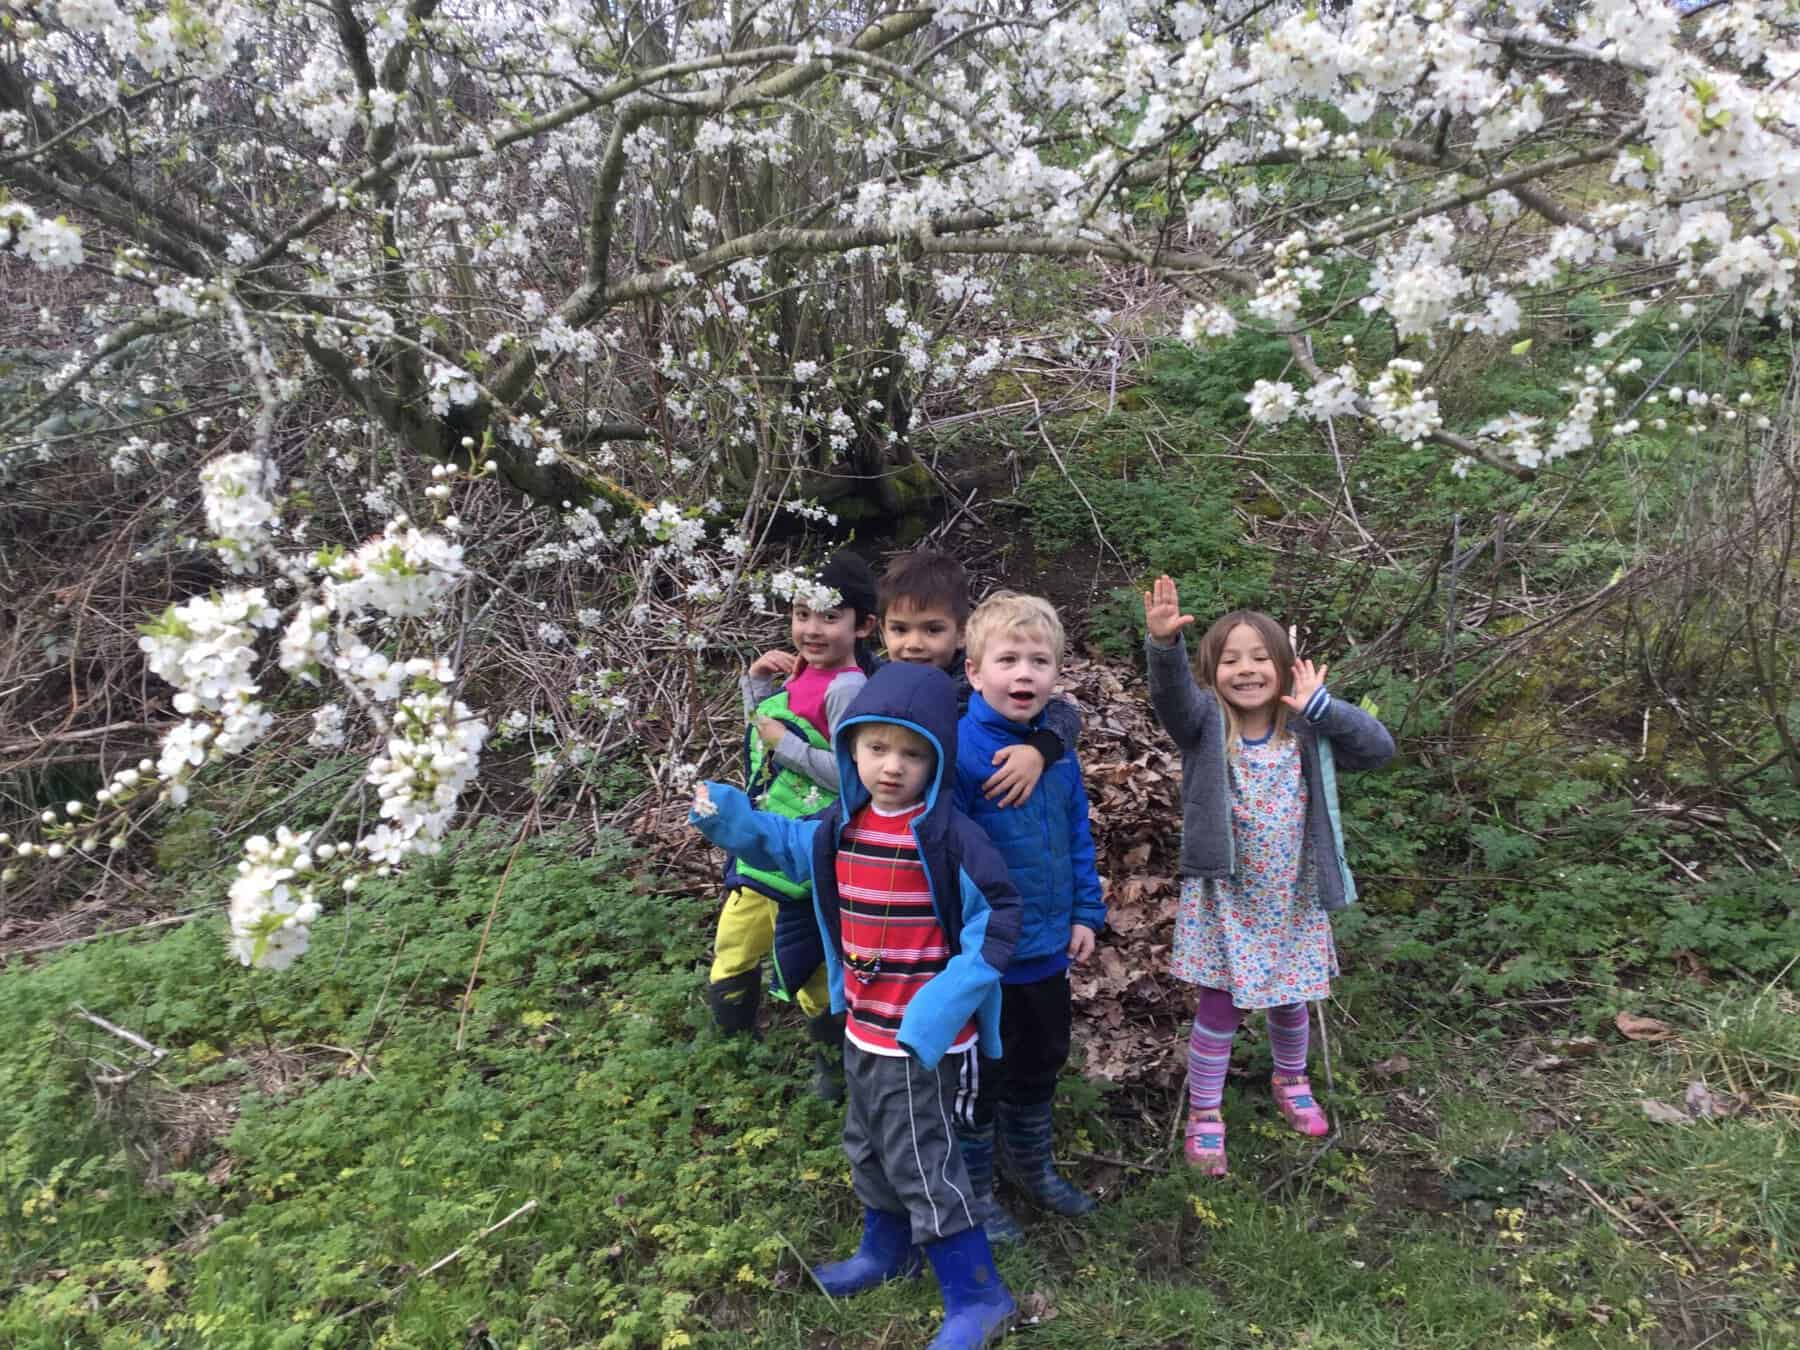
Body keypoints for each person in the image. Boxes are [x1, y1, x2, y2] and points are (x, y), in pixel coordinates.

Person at [689, 661, 1020, 1349]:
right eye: (875, 748)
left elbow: (999, 922)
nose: (890, 767)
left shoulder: (951, 839)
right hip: (864, 1029)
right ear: (850, 751)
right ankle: (885, 1251)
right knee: (868, 1145)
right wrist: (729, 816)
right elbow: (780, 841)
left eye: (911, 753)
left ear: (937, 758)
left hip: (924, 1042)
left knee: (924, 1160)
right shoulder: (841, 824)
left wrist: (941, 1007)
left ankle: (979, 1294)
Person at [1142, 575, 1395, 1176]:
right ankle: (1205, 1113)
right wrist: (1164, 648)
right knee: (1219, 1008)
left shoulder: (1306, 728)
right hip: (1227, 896)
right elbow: (1171, 700)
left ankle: (1291, 1080)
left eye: (1260, 658)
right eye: (1230, 660)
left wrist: (1324, 707)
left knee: (1291, 1001)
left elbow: (1378, 749)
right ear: (1212, 672)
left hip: (1293, 897)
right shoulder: (1204, 724)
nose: (1246, 669)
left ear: (1285, 669)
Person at [951, 593, 1105, 1241]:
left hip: (1045, 945)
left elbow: (1076, 836)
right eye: (1007, 659)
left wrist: (1085, 912)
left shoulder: (1056, 753)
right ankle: (977, 1191)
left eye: (1039, 661)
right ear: (974, 672)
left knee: (1042, 1056)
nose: (1024, 674)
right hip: (984, 954)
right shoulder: (957, 749)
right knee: (982, 1077)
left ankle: (1030, 1163)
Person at [707, 551, 876, 1103]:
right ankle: (732, 1047)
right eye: (802, 613)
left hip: (807, 854)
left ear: (862, 626)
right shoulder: (804, 671)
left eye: (830, 616)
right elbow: (764, 744)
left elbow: (853, 776)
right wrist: (755, 687)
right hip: (762, 848)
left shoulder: (847, 688)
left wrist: (791, 747)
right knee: (734, 945)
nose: (811, 628)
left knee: (807, 965)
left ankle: (833, 1070)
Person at [877, 550, 1080, 809]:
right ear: (883, 633)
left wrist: (1039, 751)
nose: (914, 644)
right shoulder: (882, 684)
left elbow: (1065, 712)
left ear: (961, 633)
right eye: (900, 629)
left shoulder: (977, 680)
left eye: (933, 630)